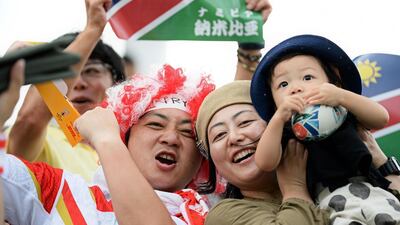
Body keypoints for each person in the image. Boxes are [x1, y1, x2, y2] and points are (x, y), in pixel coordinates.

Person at [250, 34, 400, 224]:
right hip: (330, 204)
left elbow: (381, 118)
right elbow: (265, 162)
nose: (296, 88)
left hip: (374, 190)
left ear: (333, 82)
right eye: (283, 84)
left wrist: (341, 96)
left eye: (307, 77)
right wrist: (278, 118)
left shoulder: (343, 110)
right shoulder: (286, 131)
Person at [195, 80, 330, 225]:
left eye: (245, 122)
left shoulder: (329, 176)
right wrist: (294, 188)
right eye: (219, 135)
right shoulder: (223, 216)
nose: (234, 137)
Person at [6, 26, 125, 182]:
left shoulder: (132, 151)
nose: (78, 83)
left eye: (91, 71)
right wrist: (94, 28)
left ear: (118, 83)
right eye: (67, 74)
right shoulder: (45, 141)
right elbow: (30, 120)